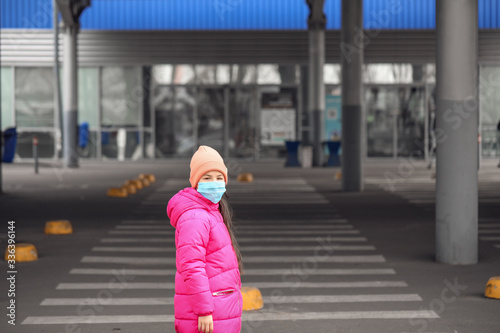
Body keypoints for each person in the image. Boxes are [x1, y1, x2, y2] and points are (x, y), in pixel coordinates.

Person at [167, 145, 243, 333]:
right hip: (209, 312)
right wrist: (204, 311)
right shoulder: (195, 217)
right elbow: (191, 266)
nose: (214, 182)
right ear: (196, 182)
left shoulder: (211, 210)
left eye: (219, 177)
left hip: (221, 307)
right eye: (207, 178)